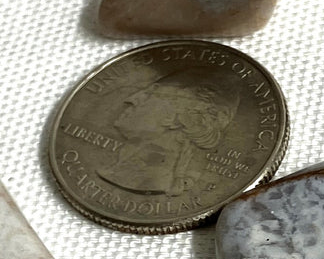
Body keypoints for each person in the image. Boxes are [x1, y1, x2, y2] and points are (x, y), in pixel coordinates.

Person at [97, 68, 238, 196]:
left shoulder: (152, 181)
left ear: (181, 116)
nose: (132, 99)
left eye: (151, 93)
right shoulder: (117, 172)